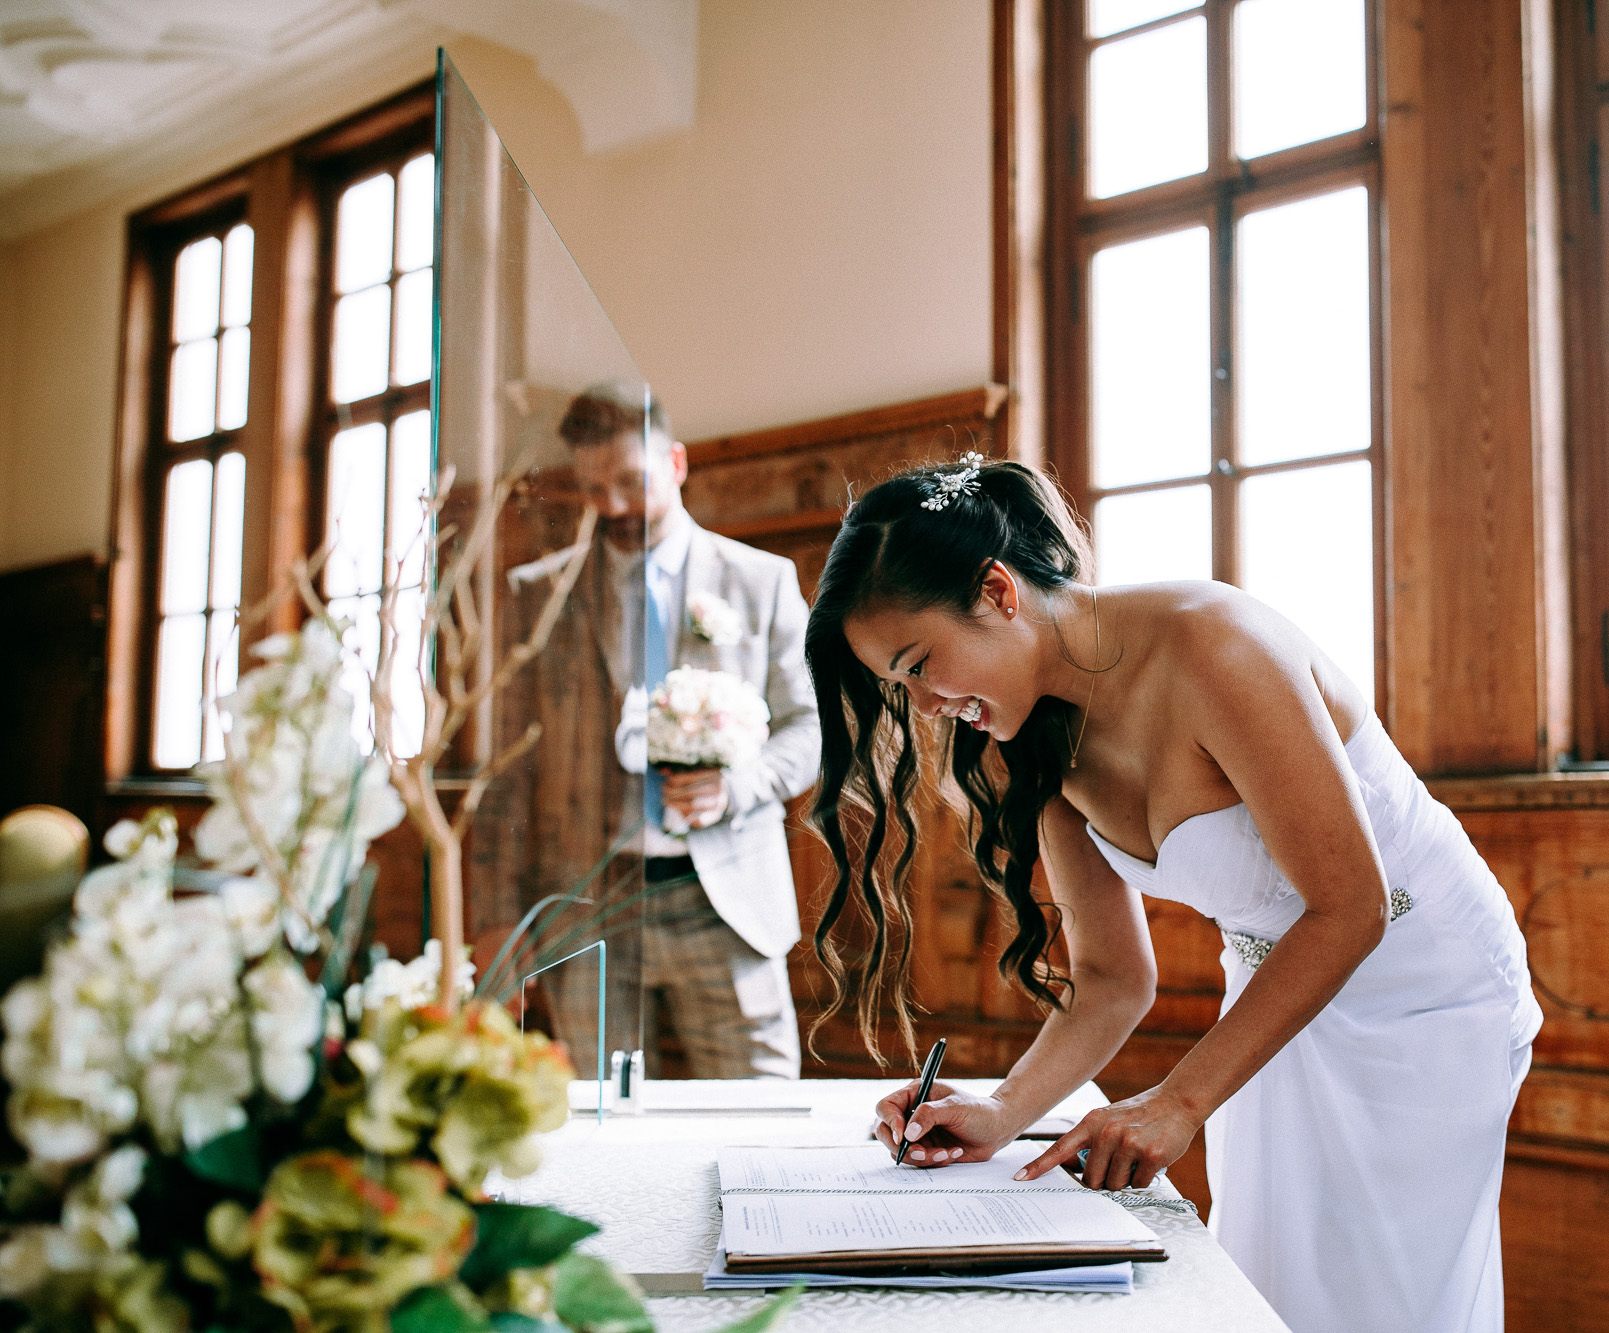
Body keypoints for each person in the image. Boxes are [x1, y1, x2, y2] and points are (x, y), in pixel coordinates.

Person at [803, 455, 1541, 1332]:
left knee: (1391, 1298)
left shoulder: (1215, 646)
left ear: (997, 591)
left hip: (1425, 991)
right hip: (1277, 999)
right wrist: (1000, 1110)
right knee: (1268, 1284)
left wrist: (1181, 1100)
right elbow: (1112, 978)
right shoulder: (1032, 739)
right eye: (902, 686)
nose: (925, 704)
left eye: (921, 663)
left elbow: (1353, 907)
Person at [556, 382, 818, 1079]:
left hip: (724, 897)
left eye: (630, 482)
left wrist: (737, 786)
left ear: (675, 463)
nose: (613, 506)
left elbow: (810, 725)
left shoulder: (760, 581)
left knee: (757, 1114)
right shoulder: (547, 594)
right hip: (590, 901)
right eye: (593, 489)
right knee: (595, 1123)